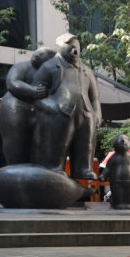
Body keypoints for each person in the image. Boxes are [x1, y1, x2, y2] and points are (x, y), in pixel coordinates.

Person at [31, 34, 100, 179]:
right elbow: (36, 95)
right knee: (60, 141)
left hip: (86, 113)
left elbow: (94, 97)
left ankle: (83, 168)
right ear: (59, 47)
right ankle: (55, 166)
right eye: (70, 45)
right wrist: (52, 108)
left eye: (77, 45)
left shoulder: (87, 71)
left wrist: (97, 113)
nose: (75, 49)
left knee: (86, 142)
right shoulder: (49, 66)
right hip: (60, 112)